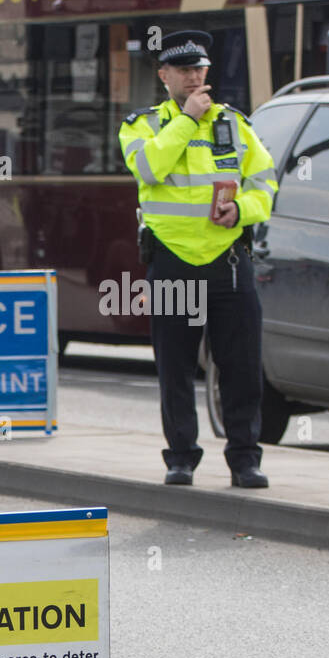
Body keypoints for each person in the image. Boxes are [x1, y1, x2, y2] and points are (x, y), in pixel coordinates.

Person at [118, 30, 278, 488]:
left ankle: (245, 459)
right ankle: (181, 458)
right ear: (163, 74)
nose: (193, 77)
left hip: (228, 258)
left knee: (242, 365)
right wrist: (187, 120)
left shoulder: (235, 124)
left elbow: (265, 183)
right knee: (176, 365)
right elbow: (149, 167)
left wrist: (242, 210)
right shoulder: (143, 124)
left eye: (199, 69)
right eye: (183, 70)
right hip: (171, 259)